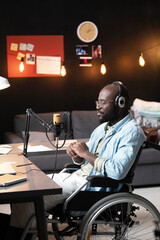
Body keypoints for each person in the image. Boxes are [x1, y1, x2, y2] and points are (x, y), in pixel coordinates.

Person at [1, 81, 146, 239]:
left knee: (30, 199)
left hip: (91, 185)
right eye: (98, 101)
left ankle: (18, 234)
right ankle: (21, 231)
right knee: (27, 188)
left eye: (103, 102)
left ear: (121, 103)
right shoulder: (103, 128)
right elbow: (86, 160)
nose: (98, 106)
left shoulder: (131, 132)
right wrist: (78, 157)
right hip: (76, 178)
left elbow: (117, 171)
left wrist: (85, 154)